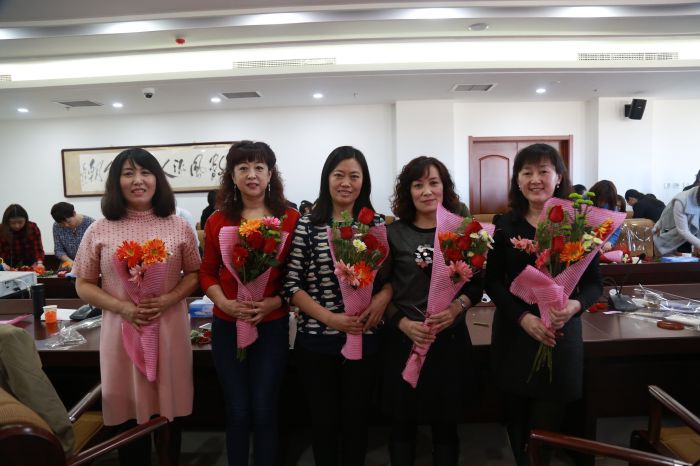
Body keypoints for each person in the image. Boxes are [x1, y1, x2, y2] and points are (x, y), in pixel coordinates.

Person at [72, 147, 201, 466]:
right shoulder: (99, 228)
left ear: (158, 179)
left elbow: (195, 274)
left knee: (169, 410)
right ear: (116, 182)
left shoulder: (178, 225)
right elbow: (83, 284)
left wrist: (170, 297)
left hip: (168, 327)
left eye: (145, 172)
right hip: (121, 329)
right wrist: (123, 307)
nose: (138, 180)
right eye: (128, 173)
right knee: (127, 410)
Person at [485, 143, 602, 466]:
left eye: (543, 171)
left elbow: (594, 284)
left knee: (547, 429)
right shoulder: (504, 225)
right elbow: (492, 282)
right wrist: (524, 318)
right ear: (517, 180)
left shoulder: (579, 225)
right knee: (518, 423)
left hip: (559, 335)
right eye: (526, 172)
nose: (534, 179)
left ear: (559, 177)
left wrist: (575, 306)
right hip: (515, 334)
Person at [282, 146, 392, 466]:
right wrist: (332, 319)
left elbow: (391, 277)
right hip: (317, 340)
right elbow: (292, 286)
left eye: (354, 176)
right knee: (323, 422)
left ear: (364, 181)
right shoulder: (307, 225)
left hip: (365, 336)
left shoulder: (376, 224)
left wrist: (383, 298)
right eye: (339, 175)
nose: (346, 183)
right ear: (326, 179)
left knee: (357, 420)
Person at [199, 141, 300, 466]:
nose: (251, 174)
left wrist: (273, 302)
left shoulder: (290, 218)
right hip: (227, 325)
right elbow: (206, 271)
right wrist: (224, 303)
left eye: (259, 167)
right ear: (232, 175)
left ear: (270, 174)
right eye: (243, 168)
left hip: (271, 325)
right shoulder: (218, 220)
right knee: (238, 408)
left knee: (264, 406)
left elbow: (297, 275)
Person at [383, 156, 483, 466]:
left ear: (445, 188)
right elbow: (379, 290)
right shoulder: (393, 233)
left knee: (446, 427)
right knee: (401, 425)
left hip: (448, 343)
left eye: (433, 183)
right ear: (408, 191)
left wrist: (455, 308)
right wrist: (402, 323)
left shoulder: (462, 232)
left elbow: (476, 286)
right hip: (403, 342)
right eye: (418, 185)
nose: (426, 191)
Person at [653, 186, 700, 255]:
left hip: (684, 240)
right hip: (666, 232)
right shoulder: (681, 200)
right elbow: (683, 231)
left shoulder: (696, 200)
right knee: (665, 259)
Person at [50, 202, 95, 268]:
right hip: (68, 264)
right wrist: (70, 262)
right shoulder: (57, 226)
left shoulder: (91, 224)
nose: (66, 225)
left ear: (74, 213)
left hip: (89, 264)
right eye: (62, 224)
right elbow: (58, 250)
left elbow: (96, 249)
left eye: (68, 222)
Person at [0, 204, 44, 268]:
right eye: (13, 223)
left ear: (26, 220)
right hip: (6, 262)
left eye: (20, 222)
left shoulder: (32, 227)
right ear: (6, 222)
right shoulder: (1, 229)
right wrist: (1, 263)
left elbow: (38, 248)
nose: (17, 226)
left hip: (29, 260)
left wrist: (39, 263)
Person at [588, 180, 622, 252]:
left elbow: (616, 228)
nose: (603, 203)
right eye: (601, 199)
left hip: (602, 245)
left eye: (606, 201)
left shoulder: (612, 207)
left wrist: (610, 242)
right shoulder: (585, 201)